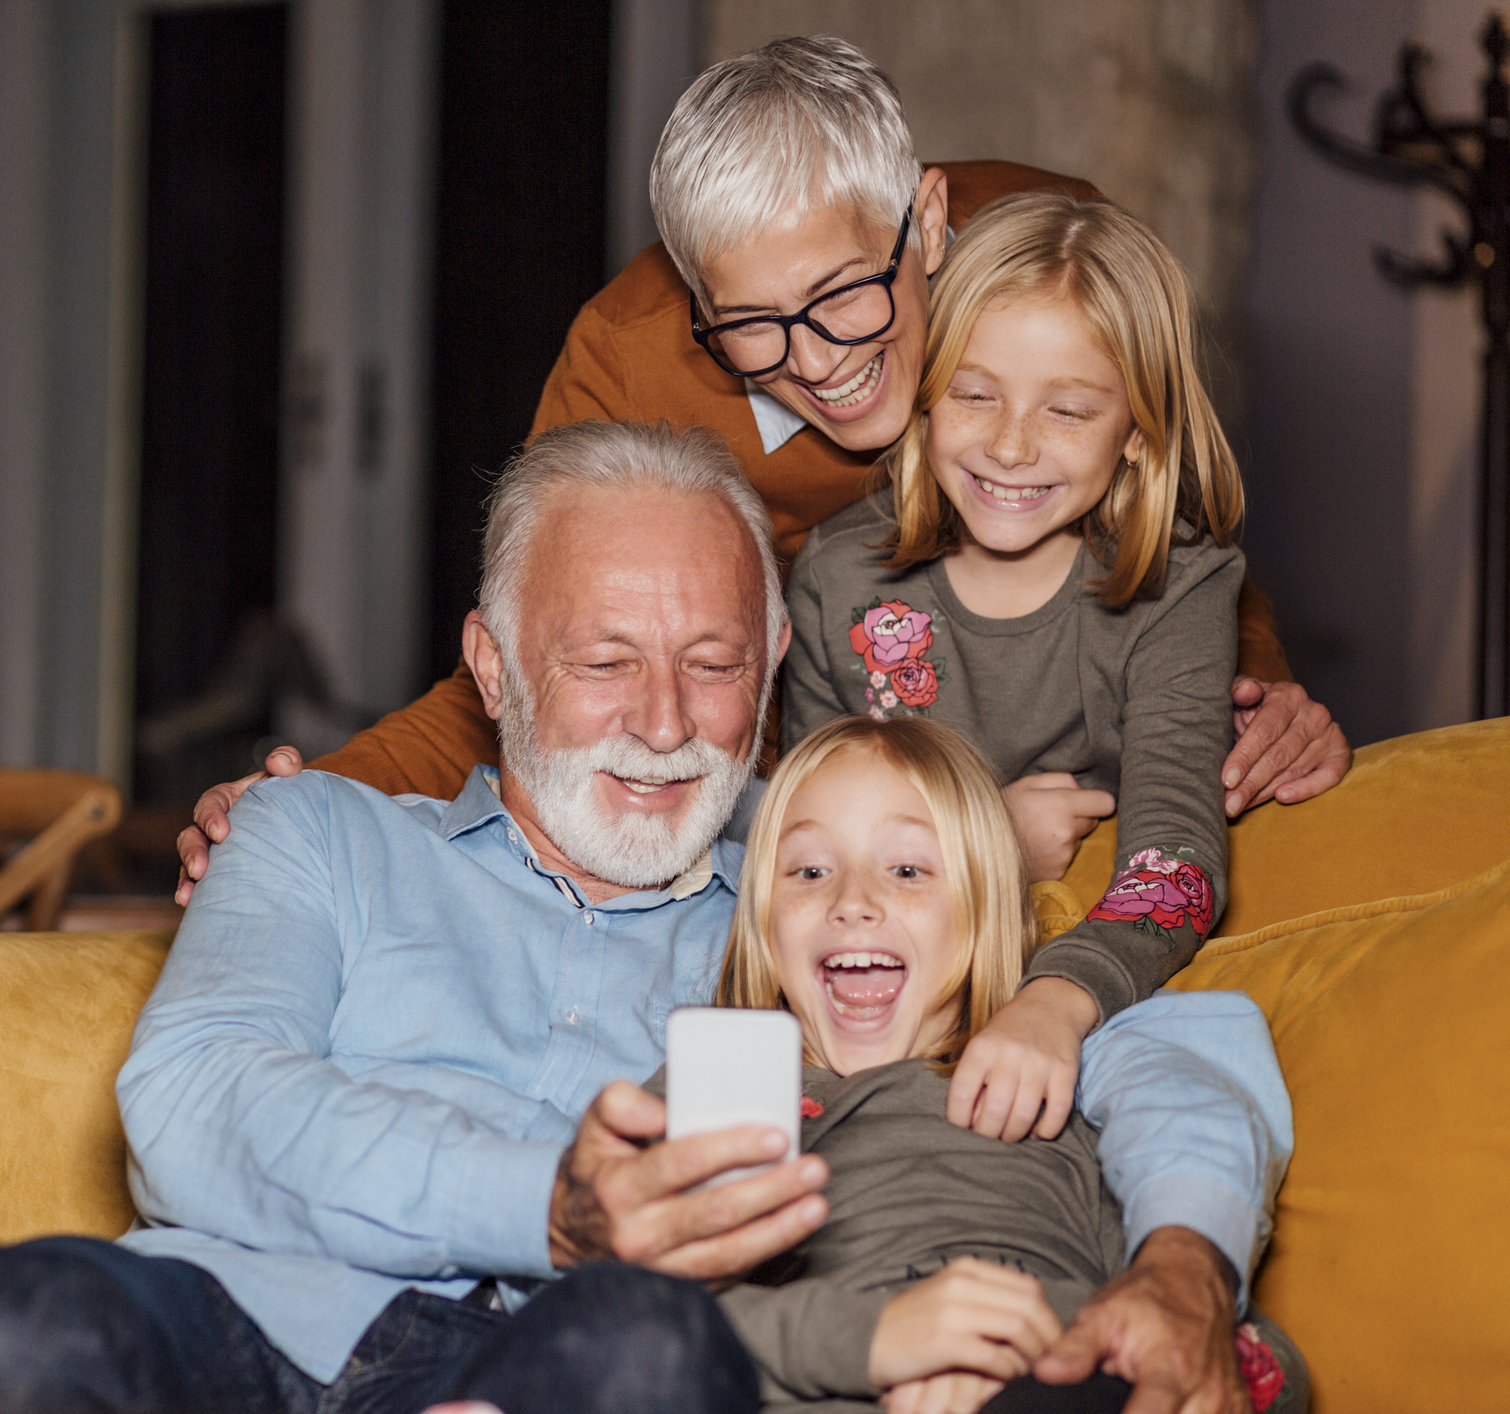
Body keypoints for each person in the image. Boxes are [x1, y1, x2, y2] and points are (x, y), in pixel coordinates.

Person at [0, 423, 1283, 1414]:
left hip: (572, 1371)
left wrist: (1181, 1258)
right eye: (606, 661)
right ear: (491, 666)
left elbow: (1155, 1047)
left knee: (654, 1354)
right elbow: (194, 1098)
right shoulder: (319, 832)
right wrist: (546, 1205)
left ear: (782, 664)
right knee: (8, 1319)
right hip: (239, 1320)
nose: (667, 722)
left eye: (714, 662)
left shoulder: (818, 891)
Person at [178, 35, 1350, 906]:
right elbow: (535, 683)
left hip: (1057, 757)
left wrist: (1258, 693)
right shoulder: (624, 366)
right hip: (810, 818)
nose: (821, 363)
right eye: (753, 325)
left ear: (928, 225)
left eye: (846, 296)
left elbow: (1169, 541)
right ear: (698, 304)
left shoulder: (1047, 263)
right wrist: (314, 800)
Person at [783, 191, 1251, 1150]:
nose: (1007, 444)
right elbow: (791, 847)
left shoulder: (1180, 592)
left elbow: (1175, 855)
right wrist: (987, 835)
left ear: (1135, 430)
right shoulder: (838, 581)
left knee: (1200, 1087)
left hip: (1090, 992)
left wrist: (1055, 1003)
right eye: (974, 391)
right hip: (869, 998)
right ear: (924, 390)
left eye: (1067, 410)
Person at [698, 714, 1301, 1414]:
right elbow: (637, 1328)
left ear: (983, 912)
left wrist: (1034, 1351)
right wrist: (875, 1343)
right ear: (761, 921)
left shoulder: (1061, 1074)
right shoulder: (723, 1083)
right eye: (808, 871)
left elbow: (1243, 1358)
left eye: (905, 869)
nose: (851, 902)